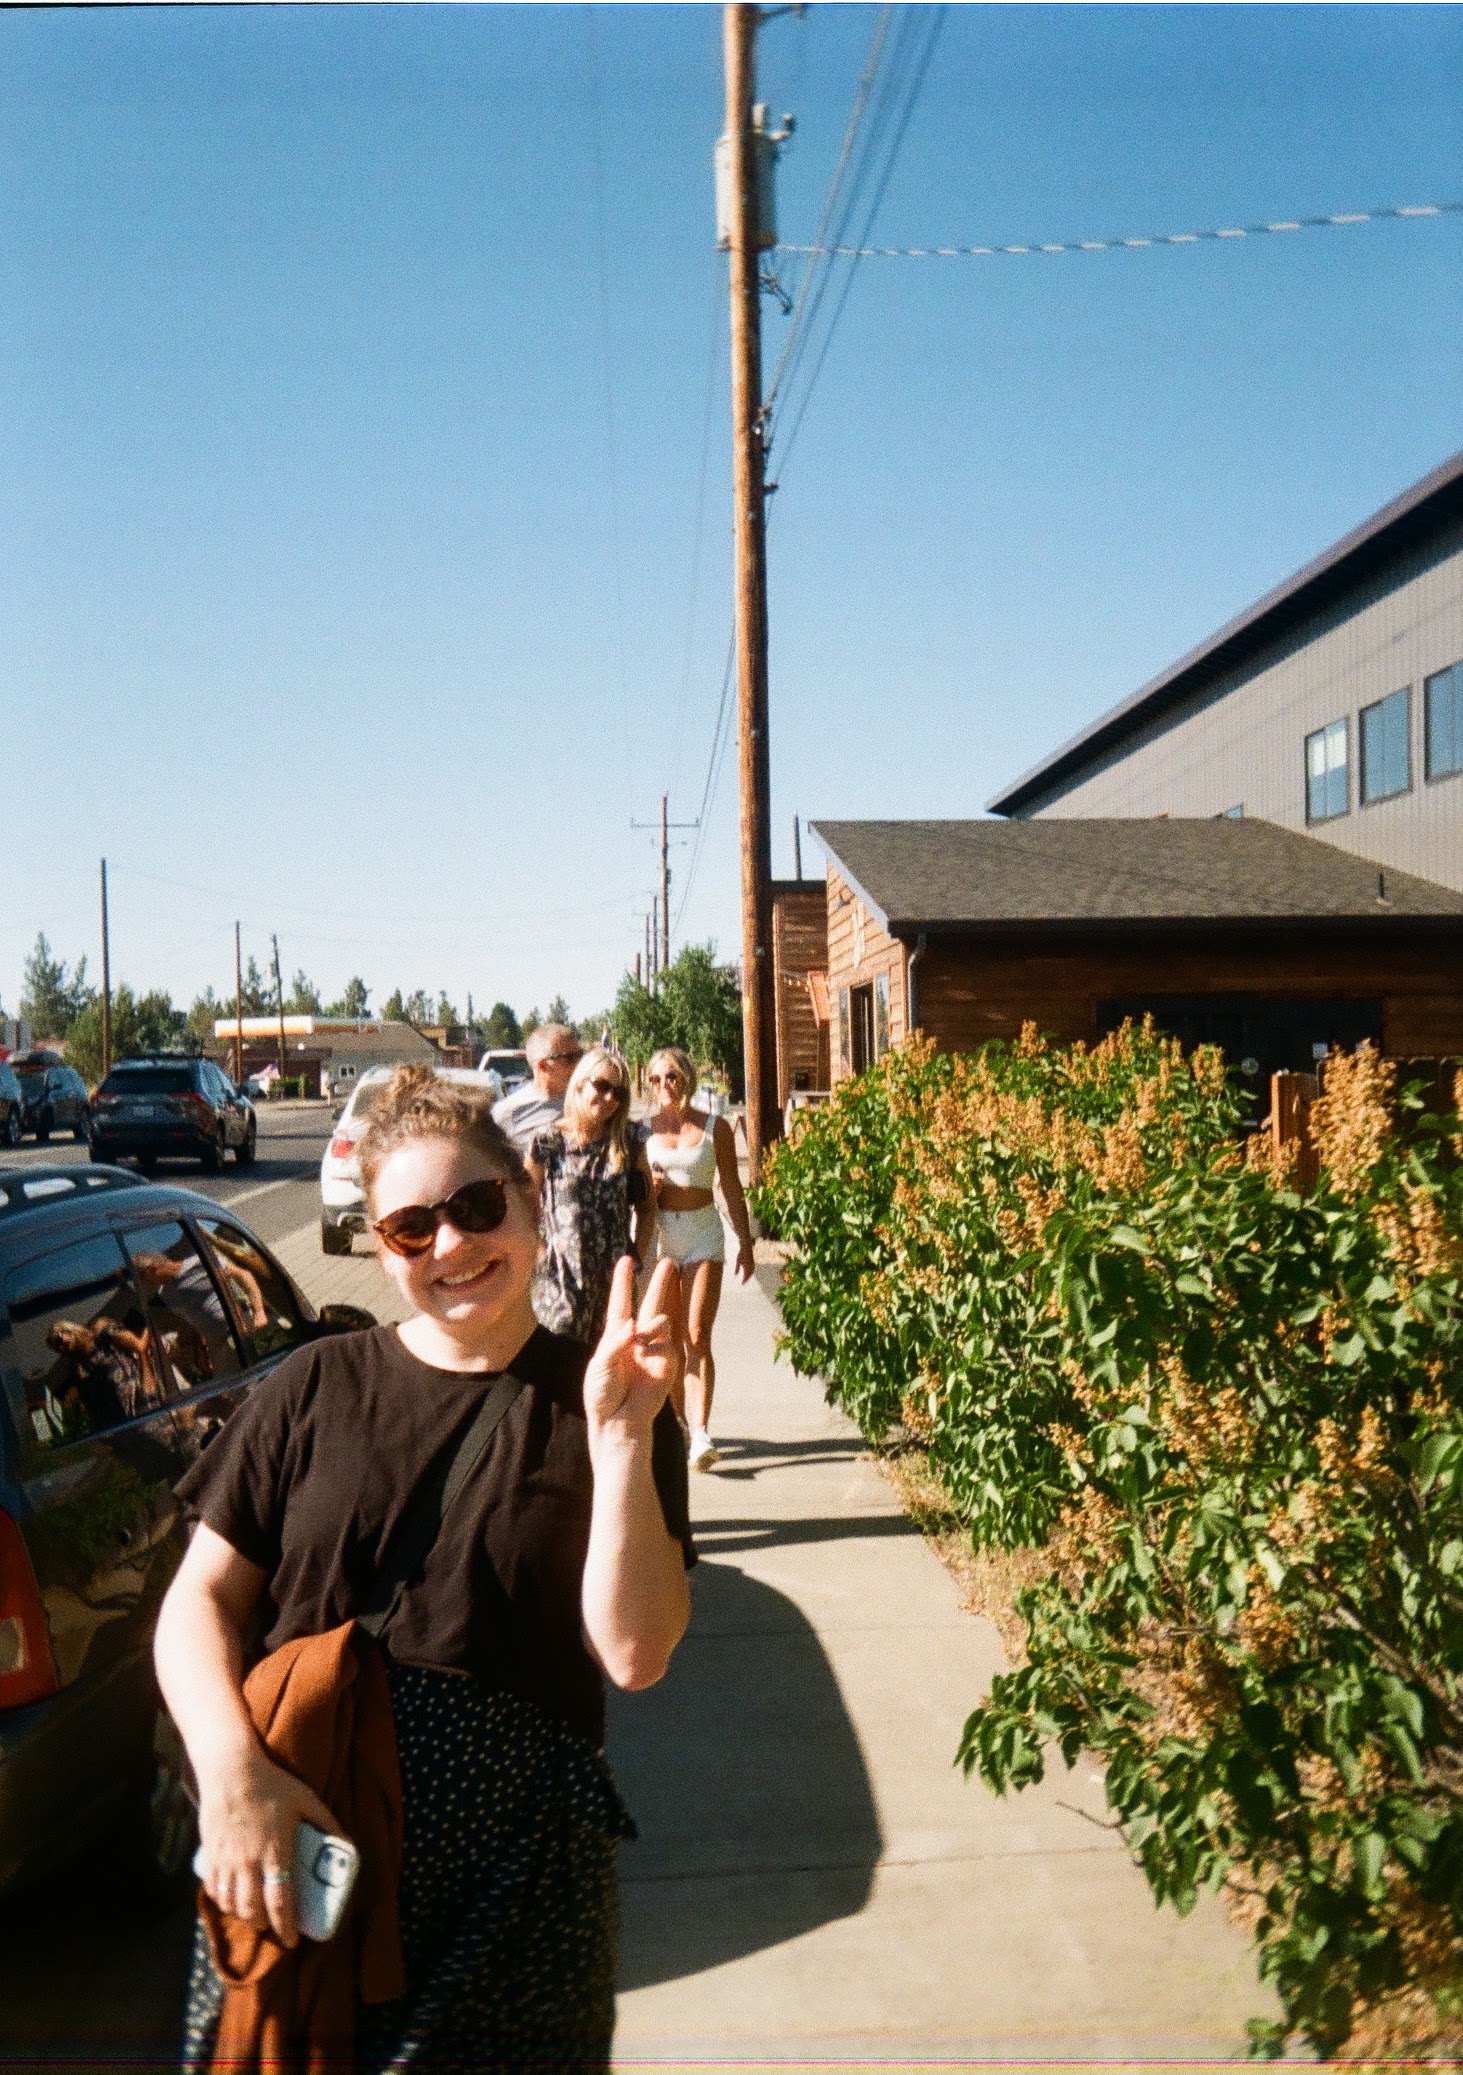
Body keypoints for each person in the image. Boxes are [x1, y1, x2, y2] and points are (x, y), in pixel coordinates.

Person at [154, 1064, 692, 2073]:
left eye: (475, 1206)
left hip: (520, 1894)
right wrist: (229, 1776)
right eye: (410, 1228)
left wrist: (621, 1439)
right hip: (304, 1860)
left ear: (527, 1197)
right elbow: (200, 1600)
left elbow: (636, 1651)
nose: (450, 1244)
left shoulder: (613, 1395)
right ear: (380, 1245)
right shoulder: (315, 1384)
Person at [643, 1046, 755, 1472]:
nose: (664, 1086)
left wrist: (746, 1242)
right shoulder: (642, 1132)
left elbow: (731, 1187)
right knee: (669, 1339)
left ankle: (702, 1432)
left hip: (704, 1235)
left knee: (697, 1334)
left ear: (686, 1079)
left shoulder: (714, 1128)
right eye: (655, 1079)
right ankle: (679, 1425)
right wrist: (647, 1190)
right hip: (663, 1241)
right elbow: (629, 1193)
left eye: (671, 1076)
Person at [526, 1048, 655, 1348]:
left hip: (613, 1282)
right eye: (602, 1086)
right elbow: (523, 1205)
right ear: (580, 1084)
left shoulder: (630, 1141)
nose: (609, 1098)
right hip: (560, 1280)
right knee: (559, 1362)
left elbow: (648, 1208)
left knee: (612, 1361)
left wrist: (634, 1261)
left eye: (618, 1093)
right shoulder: (548, 1141)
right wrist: (540, 1255)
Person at [492, 1023, 583, 1155]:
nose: (579, 1063)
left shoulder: (589, 1100)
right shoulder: (506, 1112)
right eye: (570, 1058)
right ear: (542, 1065)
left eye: (580, 1055)